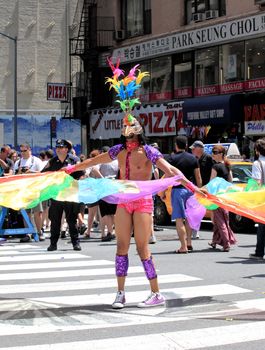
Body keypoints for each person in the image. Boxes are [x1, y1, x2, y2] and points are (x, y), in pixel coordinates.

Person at [64, 120, 202, 309]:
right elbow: (94, 161)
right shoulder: (118, 150)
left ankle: (156, 293)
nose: (128, 137)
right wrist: (73, 168)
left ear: (137, 133)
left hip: (143, 201)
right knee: (121, 247)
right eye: (125, 134)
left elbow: (170, 170)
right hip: (124, 200)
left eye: (131, 133)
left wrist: (192, 186)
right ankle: (120, 294)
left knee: (142, 248)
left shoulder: (148, 151)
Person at [42, 139, 84, 251]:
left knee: (71, 220)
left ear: (66, 149)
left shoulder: (74, 160)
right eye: (57, 147)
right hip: (57, 195)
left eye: (61, 147)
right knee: (55, 220)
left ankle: (76, 243)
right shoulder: (52, 161)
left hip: (70, 194)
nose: (58, 149)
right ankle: (53, 244)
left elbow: (81, 174)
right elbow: (44, 174)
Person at [165, 136, 202, 253]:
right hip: (191, 190)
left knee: (179, 219)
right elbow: (198, 178)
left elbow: (167, 176)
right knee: (189, 218)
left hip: (177, 190)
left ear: (176, 145)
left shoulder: (172, 159)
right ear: (186, 145)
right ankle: (189, 243)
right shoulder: (193, 159)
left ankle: (183, 246)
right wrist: (199, 190)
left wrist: (163, 191)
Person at [14, 143, 45, 242]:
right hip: (24, 190)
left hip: (35, 189)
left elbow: (42, 173)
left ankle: (39, 232)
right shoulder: (18, 162)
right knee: (26, 213)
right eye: (21, 151)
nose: (22, 153)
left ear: (29, 150)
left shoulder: (36, 160)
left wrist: (30, 172)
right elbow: (14, 176)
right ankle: (28, 232)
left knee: (37, 212)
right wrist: (19, 172)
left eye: (24, 151)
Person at [208, 144, 236, 252]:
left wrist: (209, 195)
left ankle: (226, 243)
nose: (213, 154)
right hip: (225, 196)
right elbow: (231, 181)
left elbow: (211, 182)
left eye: (215, 152)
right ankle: (215, 241)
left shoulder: (215, 167)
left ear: (221, 154)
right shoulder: (227, 165)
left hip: (217, 197)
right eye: (213, 152)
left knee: (220, 221)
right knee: (221, 219)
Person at [190, 140, 214, 239]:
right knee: (196, 211)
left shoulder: (208, 158)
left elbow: (213, 173)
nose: (192, 151)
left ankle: (217, 232)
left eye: (193, 149)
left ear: (199, 149)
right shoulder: (193, 159)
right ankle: (195, 231)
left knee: (212, 211)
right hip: (196, 189)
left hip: (207, 189)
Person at [249, 138, 265, 260]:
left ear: (257, 151)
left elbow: (257, 182)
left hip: (262, 198)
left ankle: (259, 252)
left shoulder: (257, 163)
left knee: (262, 226)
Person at [98, 146, 118, 242]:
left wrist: (102, 178)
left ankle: (110, 232)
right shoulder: (116, 161)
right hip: (115, 186)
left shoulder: (101, 161)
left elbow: (94, 169)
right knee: (113, 211)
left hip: (104, 187)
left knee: (105, 211)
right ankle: (114, 231)